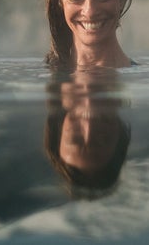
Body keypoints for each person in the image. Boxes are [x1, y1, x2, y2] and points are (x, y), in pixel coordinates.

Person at [44, 68, 131, 199]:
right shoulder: (128, 68)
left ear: (60, 127)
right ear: (120, 131)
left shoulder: (54, 65)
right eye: (102, 137)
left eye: (75, 136)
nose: (89, 124)